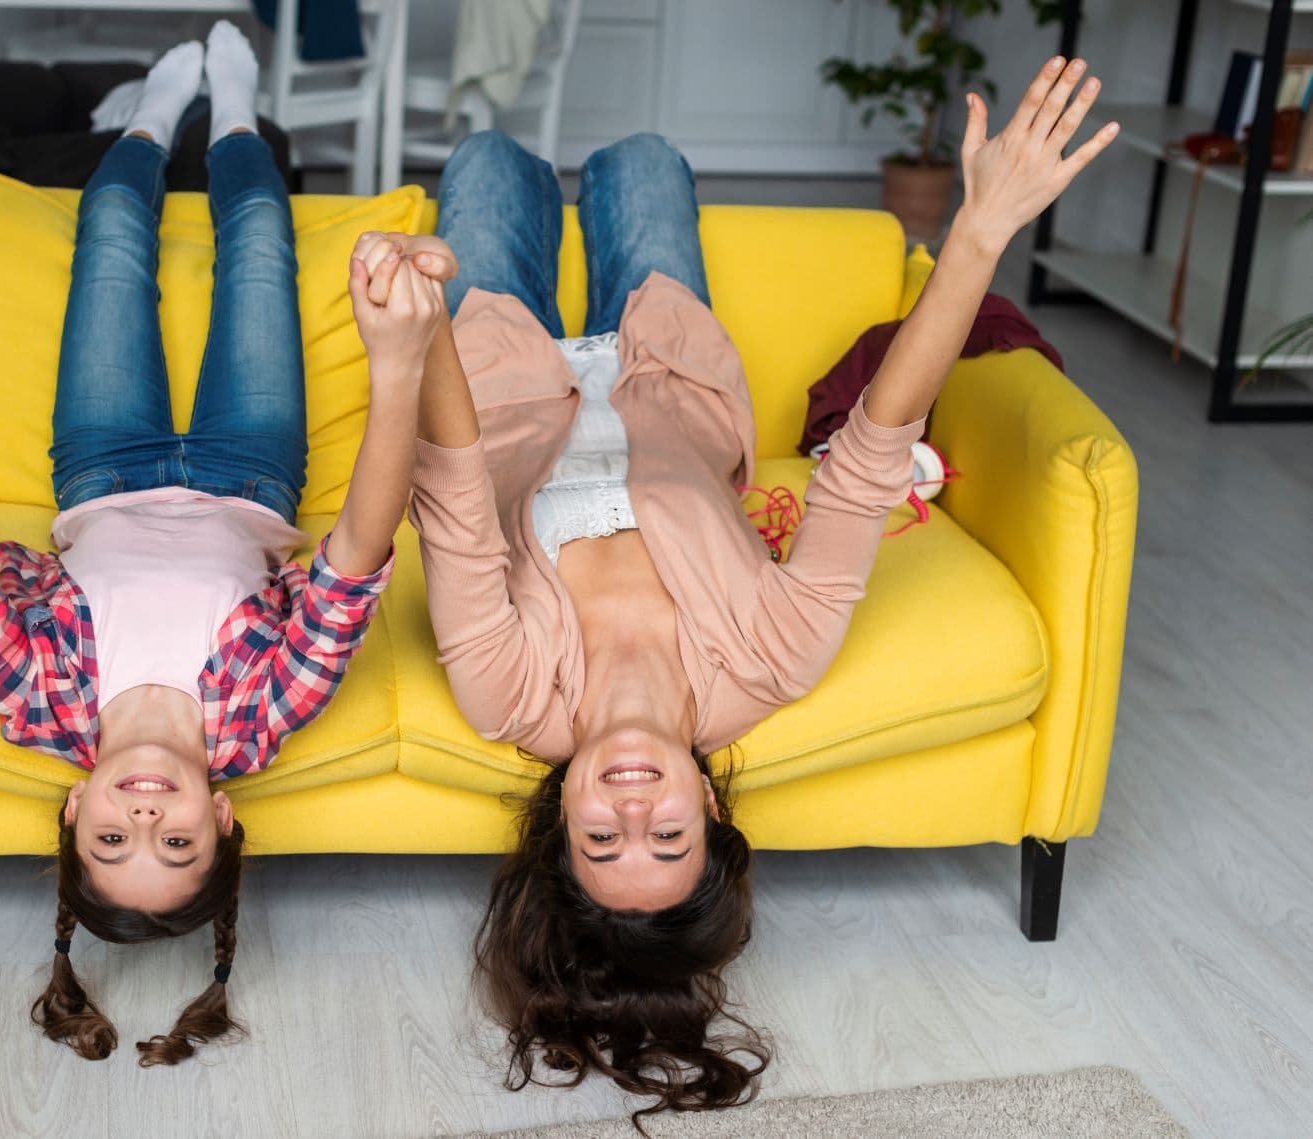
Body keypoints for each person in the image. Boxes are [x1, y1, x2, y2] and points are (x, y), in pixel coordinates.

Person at [386, 56, 1118, 1115]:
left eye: (602, 839)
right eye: (668, 837)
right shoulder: (770, 663)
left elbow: (454, 490)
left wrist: (421, 328)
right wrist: (980, 228)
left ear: (556, 825)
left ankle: (515, 217)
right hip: (664, 371)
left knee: (487, 159)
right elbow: (869, 459)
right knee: (643, 159)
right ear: (713, 808)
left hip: (499, 378)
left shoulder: (508, 694)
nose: (633, 808)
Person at [0, 23, 445, 1064]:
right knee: (257, 242)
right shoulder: (261, 717)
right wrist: (398, 371)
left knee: (109, 225)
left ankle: (150, 118)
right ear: (226, 821)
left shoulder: (38, 698)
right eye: (177, 843)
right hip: (250, 471)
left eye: (112, 839)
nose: (145, 816)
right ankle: (234, 110)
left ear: (73, 807)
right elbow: (356, 558)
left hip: (104, 468)